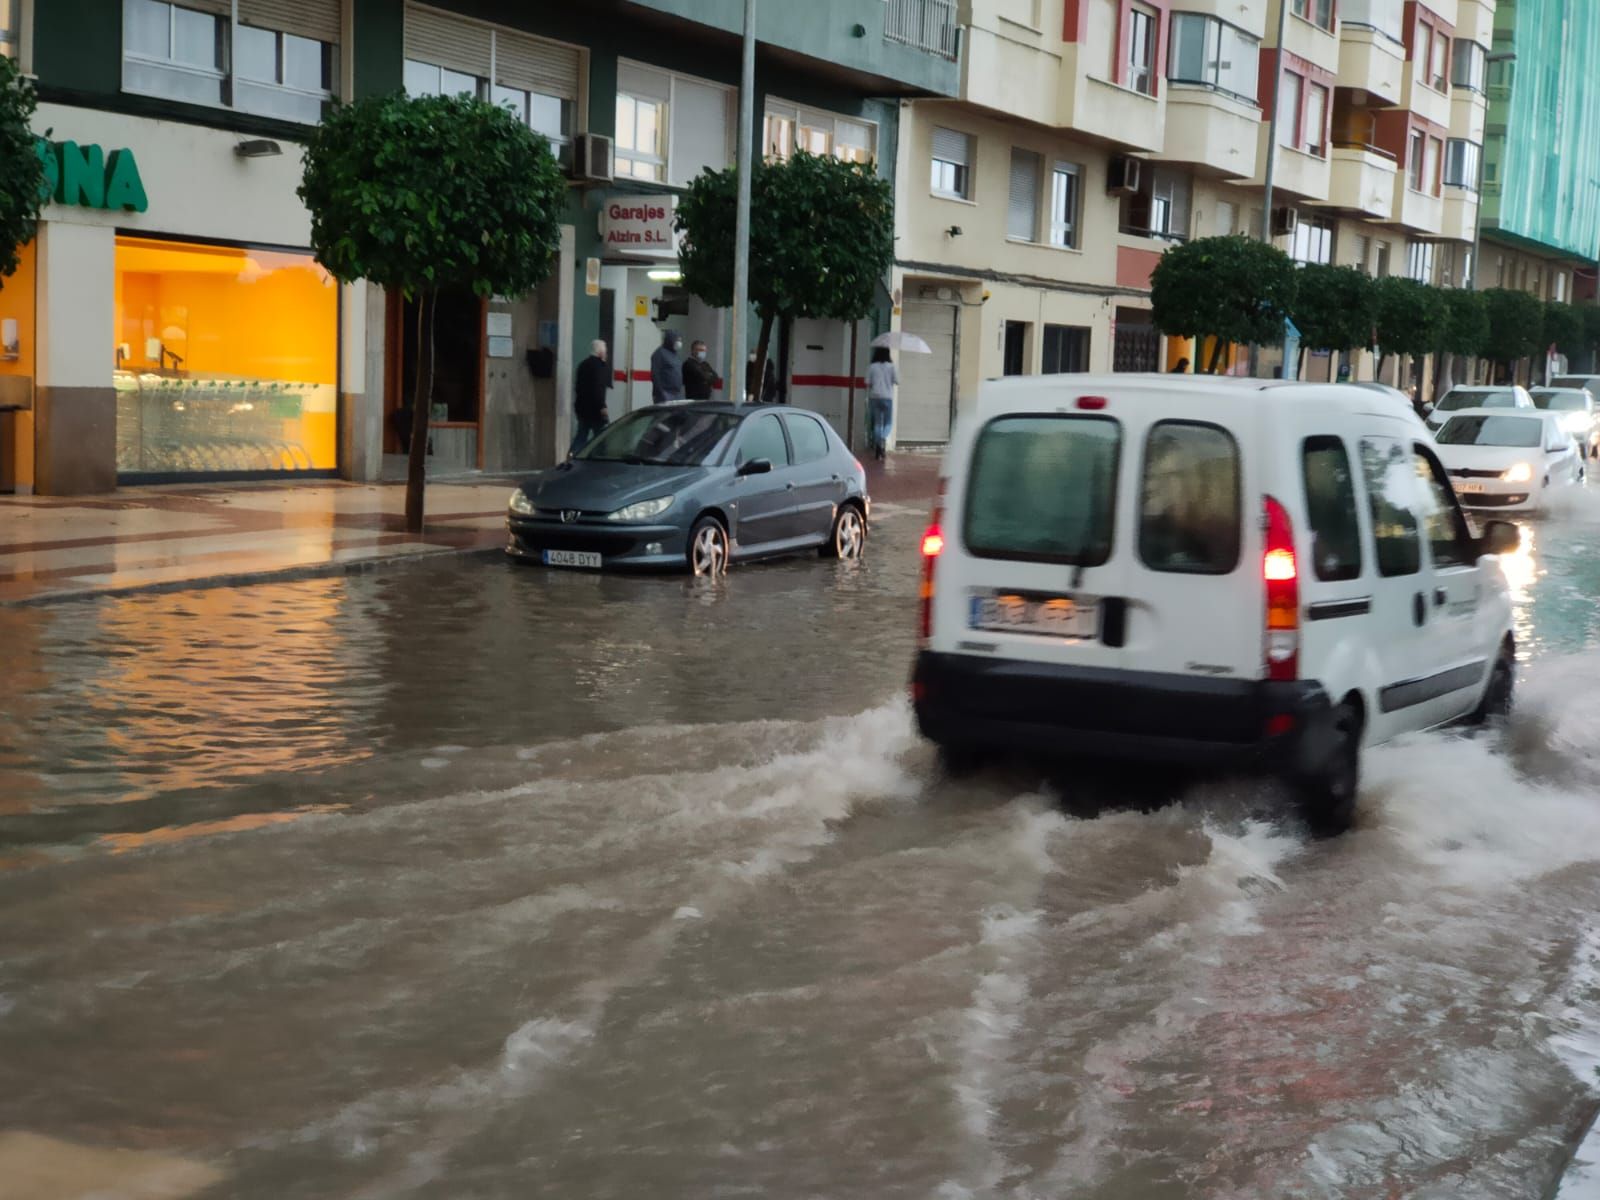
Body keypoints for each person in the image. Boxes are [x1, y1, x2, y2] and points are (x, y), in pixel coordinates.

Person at [571, 339, 611, 455]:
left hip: (582, 409)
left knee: (581, 436)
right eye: (605, 352)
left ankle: (571, 458)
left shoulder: (583, 365)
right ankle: (601, 461)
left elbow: (578, 387)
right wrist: (602, 407)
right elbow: (597, 389)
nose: (606, 355)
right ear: (600, 353)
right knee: (601, 438)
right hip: (595, 410)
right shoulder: (599, 367)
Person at [865, 345, 898, 461]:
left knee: (877, 424)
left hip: (874, 397)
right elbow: (897, 380)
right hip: (887, 397)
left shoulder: (872, 366)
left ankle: (878, 444)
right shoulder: (892, 367)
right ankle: (882, 439)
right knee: (888, 423)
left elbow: (867, 382)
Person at [650, 329, 685, 404]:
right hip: (665, 394)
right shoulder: (659, 354)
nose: (679, 343)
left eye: (680, 340)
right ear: (670, 340)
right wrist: (661, 393)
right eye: (677, 340)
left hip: (677, 393)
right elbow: (655, 375)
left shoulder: (675, 355)